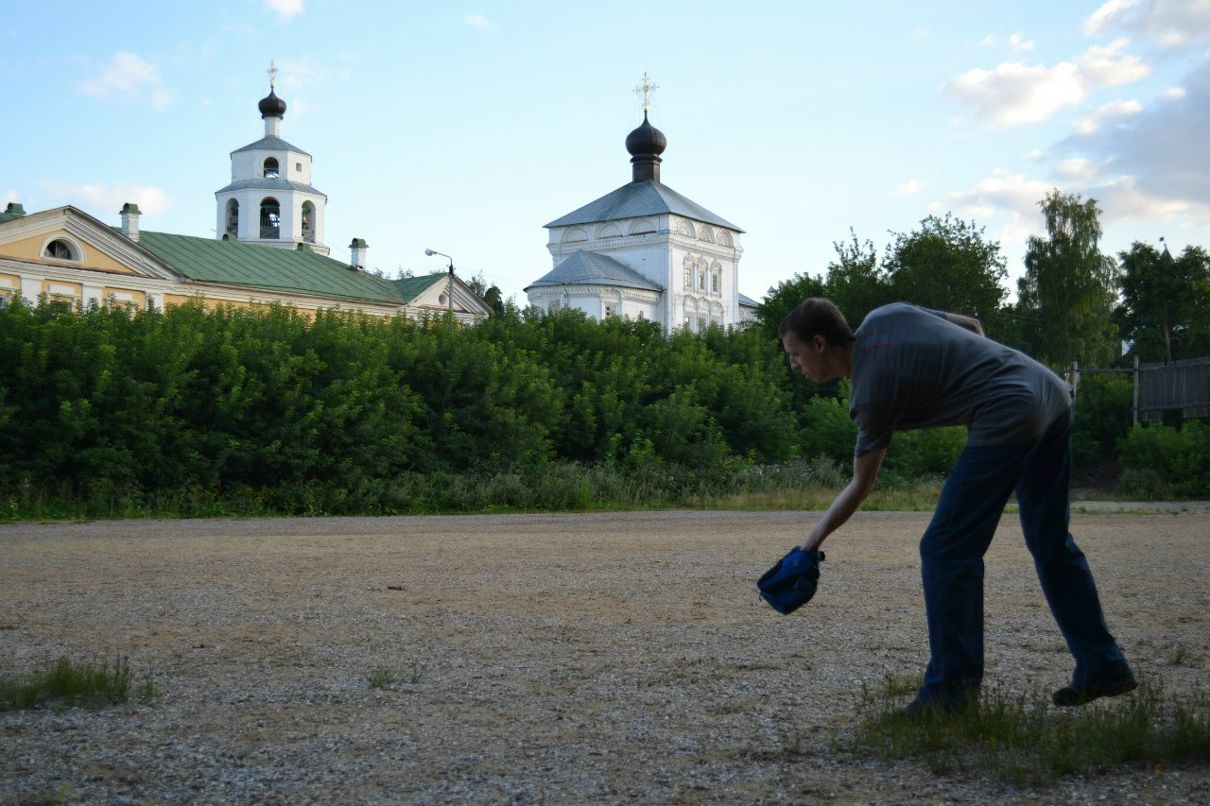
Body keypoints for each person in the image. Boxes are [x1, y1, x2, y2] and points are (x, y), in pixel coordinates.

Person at [779, 298, 1135, 713]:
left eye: (795, 355)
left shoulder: (870, 393)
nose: (795, 366)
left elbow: (862, 483)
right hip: (1050, 392)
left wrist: (811, 543)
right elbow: (972, 324)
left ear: (819, 344)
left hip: (1011, 409)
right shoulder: (885, 315)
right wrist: (977, 386)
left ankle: (951, 694)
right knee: (1050, 541)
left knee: (946, 548)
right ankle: (1103, 665)